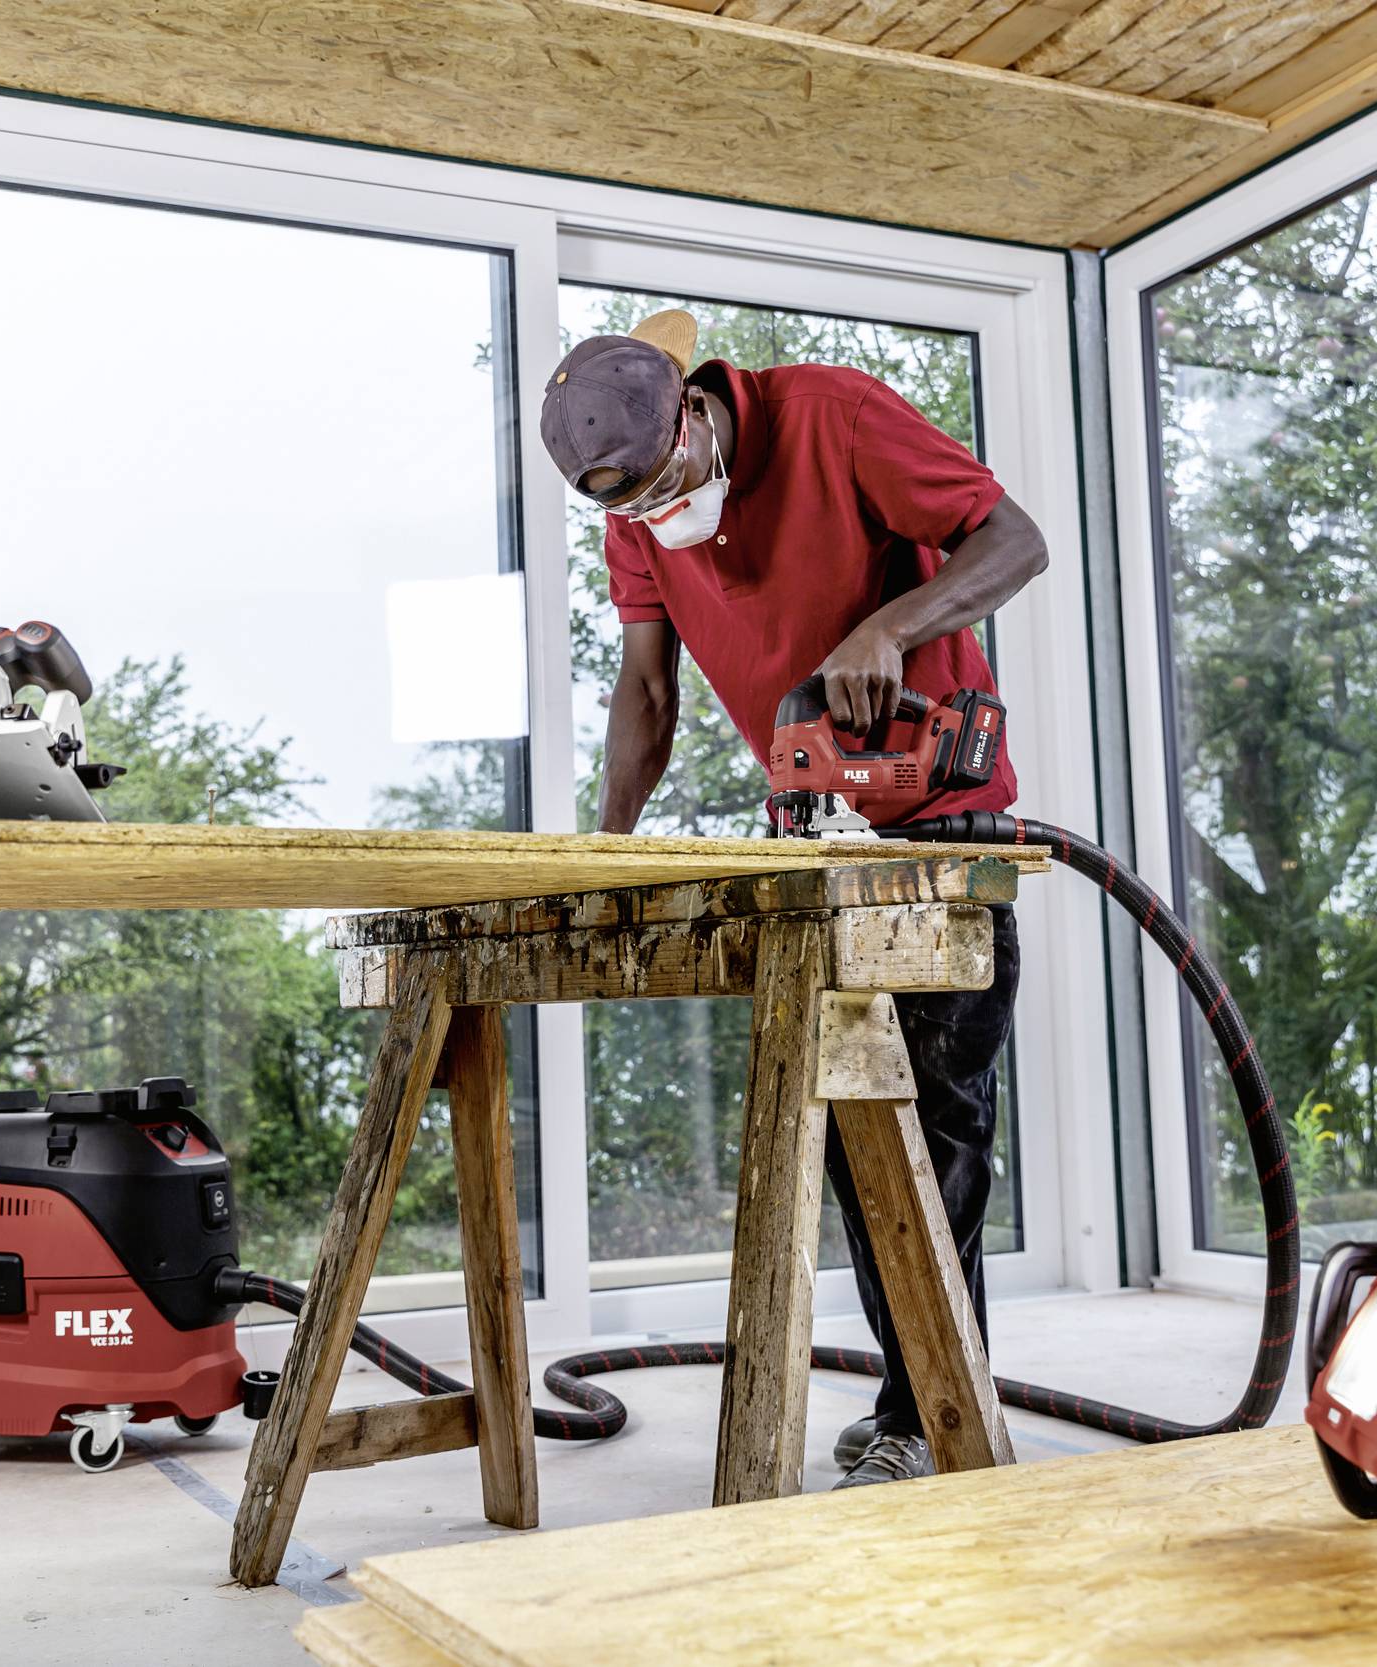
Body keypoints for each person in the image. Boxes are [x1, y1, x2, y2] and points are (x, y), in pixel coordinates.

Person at [540, 309, 1050, 1489]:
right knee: (854, 1146)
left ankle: (930, 1415)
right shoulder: (639, 516)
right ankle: (919, 1399)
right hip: (820, 829)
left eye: (670, 484)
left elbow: (1014, 541)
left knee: (931, 1139)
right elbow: (646, 693)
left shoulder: (832, 414)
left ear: (698, 413)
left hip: (940, 824)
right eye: (630, 509)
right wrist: (604, 857)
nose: (660, 517)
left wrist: (889, 624)